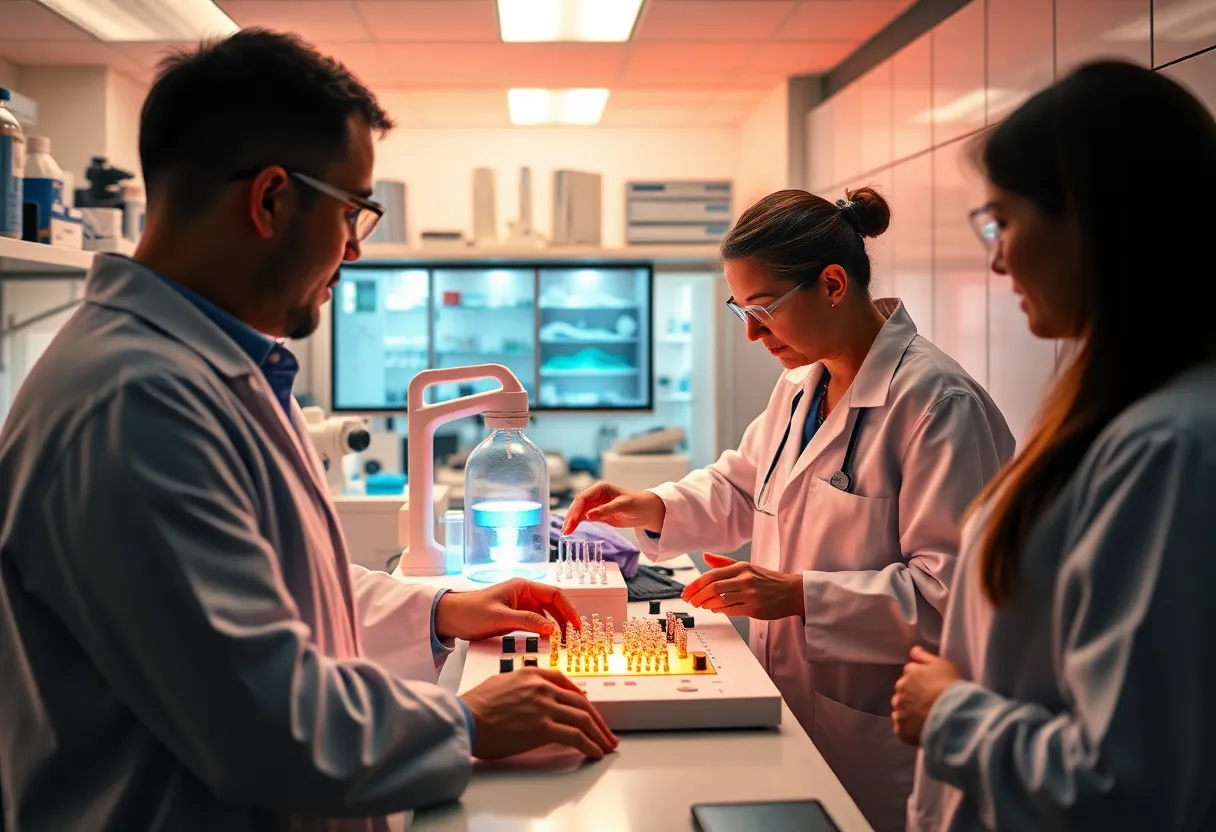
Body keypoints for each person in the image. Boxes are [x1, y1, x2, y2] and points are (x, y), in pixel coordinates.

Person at [0, 30, 616, 832]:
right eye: (355, 212)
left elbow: (267, 589)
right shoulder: (134, 403)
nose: (355, 249)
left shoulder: (212, 370)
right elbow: (259, 718)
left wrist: (439, 611)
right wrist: (465, 723)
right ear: (270, 200)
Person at [564, 187, 1015, 831]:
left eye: (764, 307)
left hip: (877, 737)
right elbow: (747, 487)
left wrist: (801, 595)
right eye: (739, 309)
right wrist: (650, 505)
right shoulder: (801, 384)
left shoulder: (938, 405)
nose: (752, 333)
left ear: (832, 284)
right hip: (791, 707)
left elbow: (954, 600)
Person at [892, 60, 1216, 832]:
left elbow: (1129, 786)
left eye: (1003, 221)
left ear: (1097, 218)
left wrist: (950, 712)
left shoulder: (1170, 445)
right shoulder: (1119, 415)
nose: (997, 258)